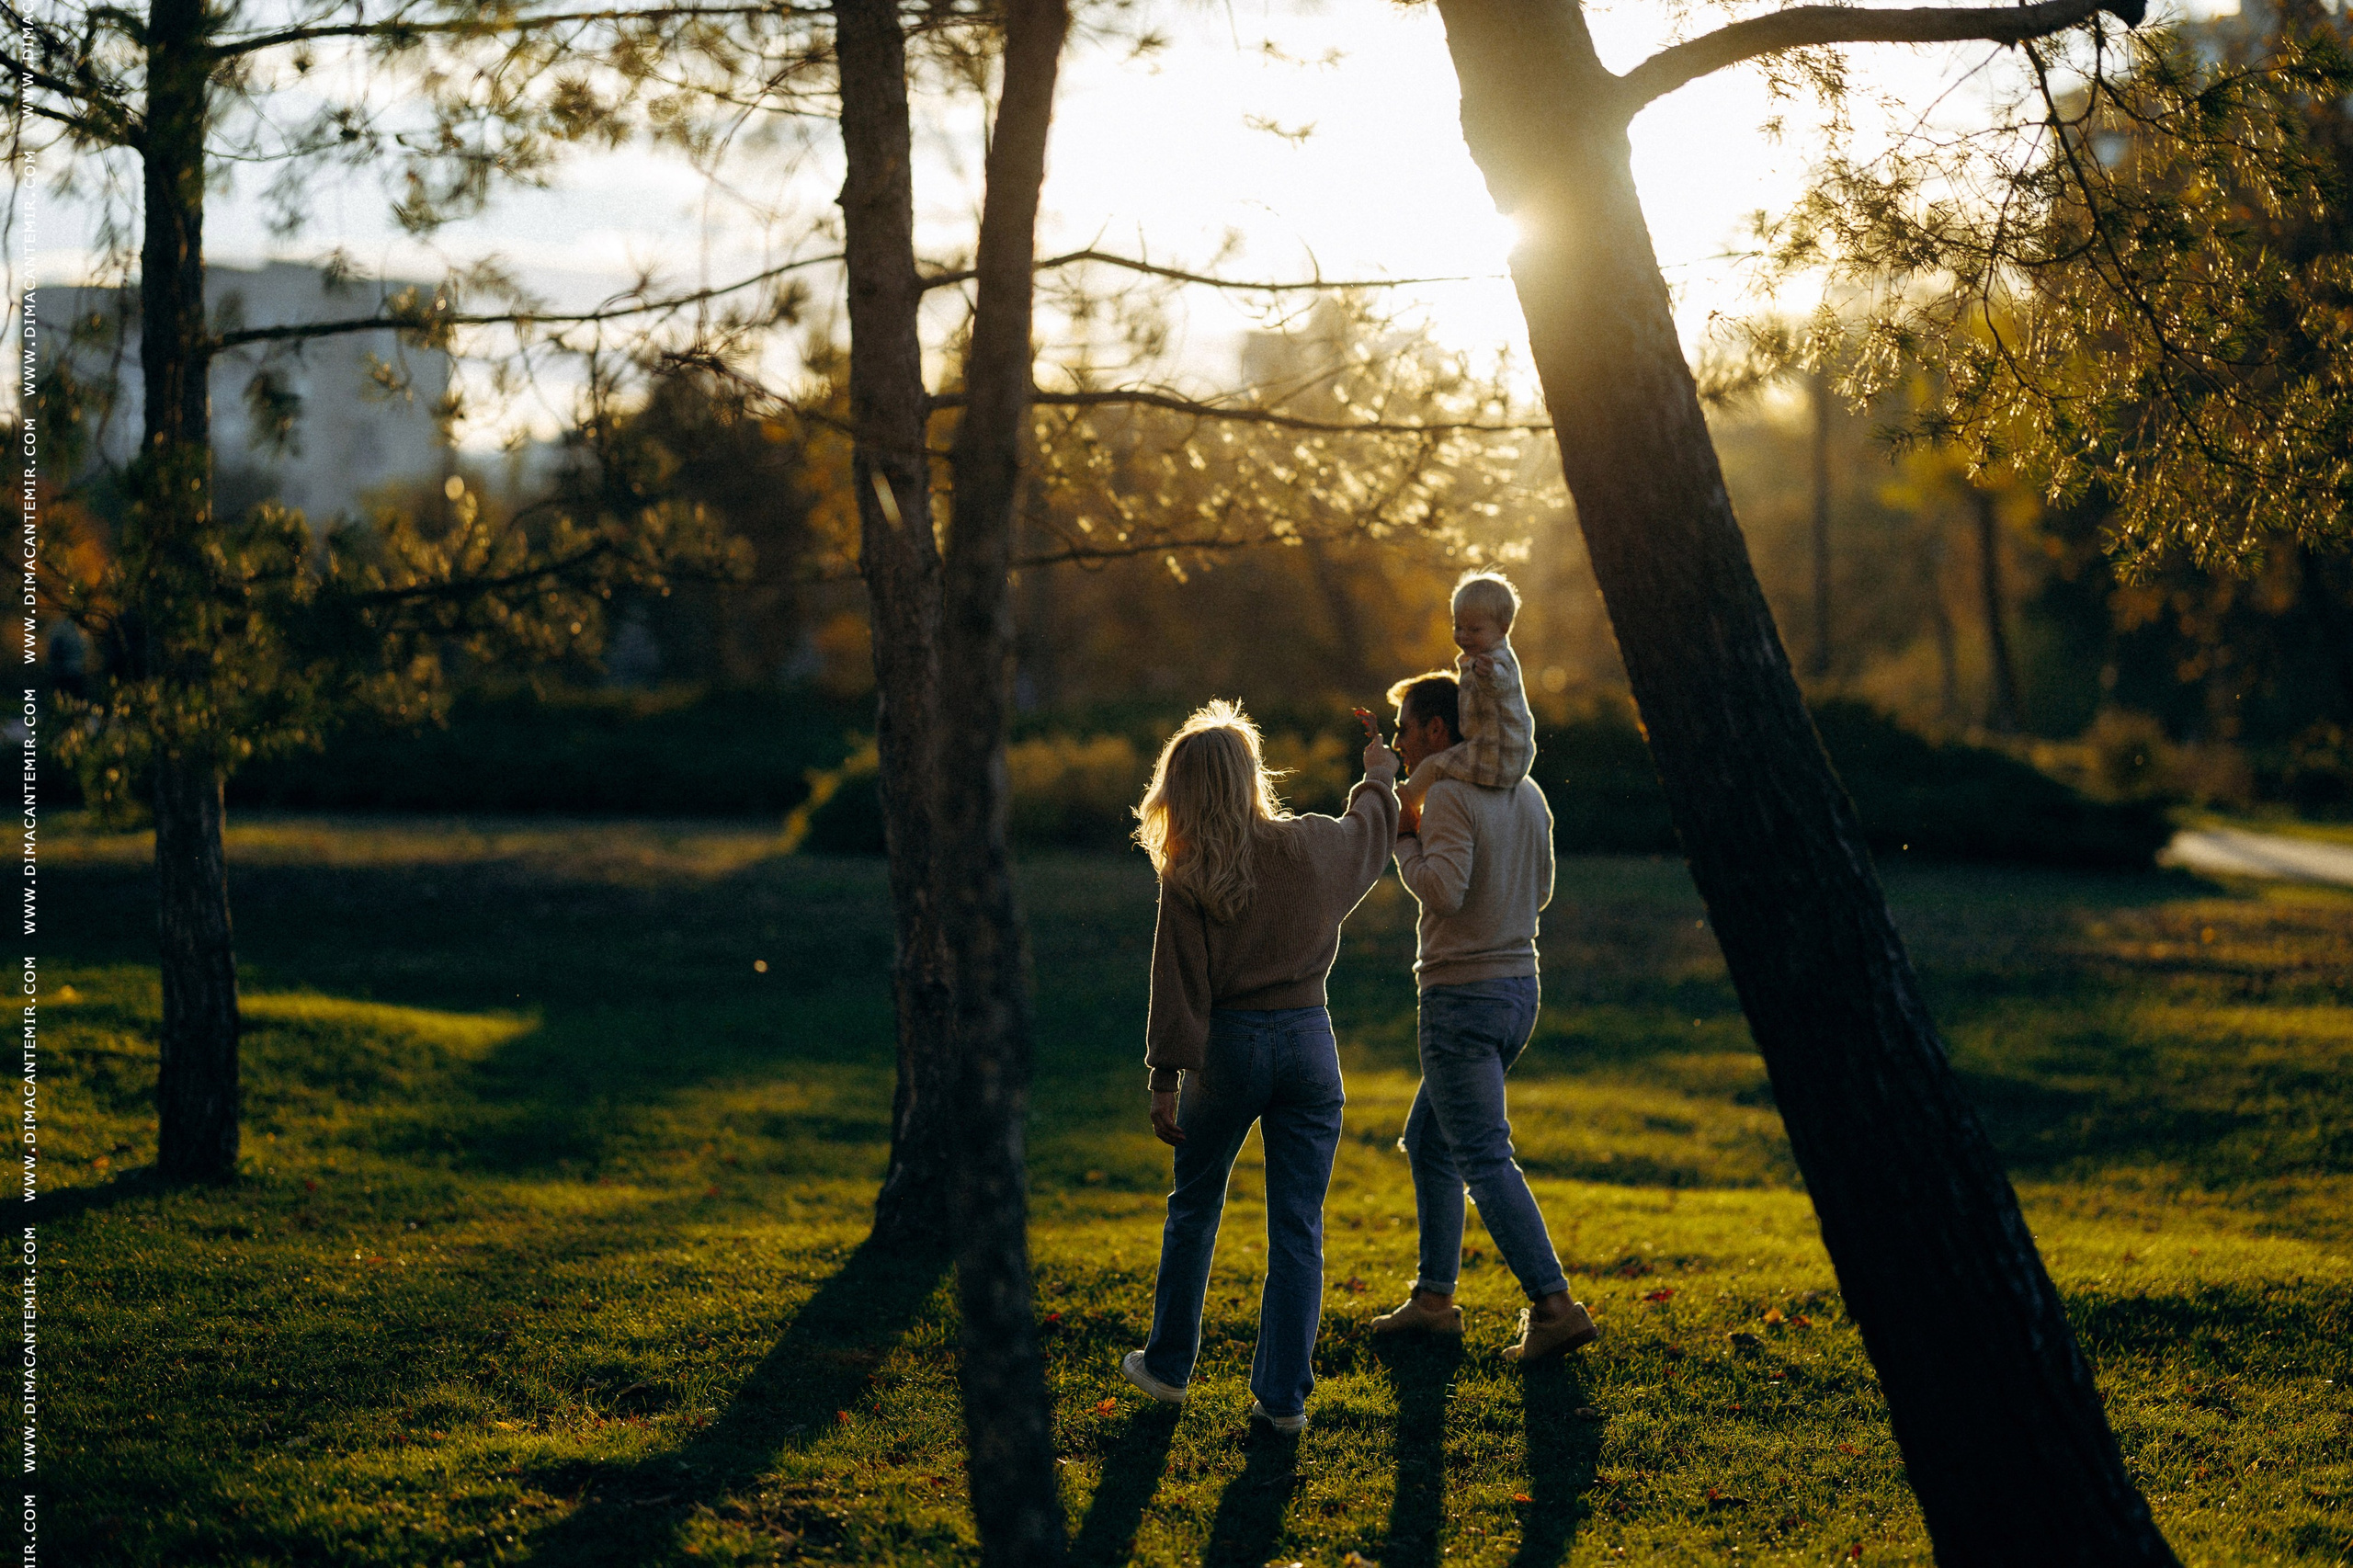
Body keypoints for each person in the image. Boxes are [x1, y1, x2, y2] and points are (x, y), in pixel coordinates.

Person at [1120, 699, 1400, 1434]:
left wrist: (1164, 1078)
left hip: (1230, 1050)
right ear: (1250, 776)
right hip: (1311, 1044)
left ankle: (1168, 1367)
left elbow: (1178, 983)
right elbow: (1369, 834)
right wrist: (1378, 774)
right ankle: (1282, 1401)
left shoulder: (1189, 871)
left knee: (1194, 1207)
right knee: (1298, 1226)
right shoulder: (1310, 846)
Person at [1371, 670, 1599, 1362]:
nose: (1400, 744)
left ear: (1438, 730)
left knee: (1481, 1155)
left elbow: (1442, 890)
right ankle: (1433, 1301)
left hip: (1462, 998)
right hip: (1519, 992)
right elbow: (1543, 889)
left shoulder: (1446, 795)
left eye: (1405, 730)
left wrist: (1403, 840)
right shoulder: (1527, 792)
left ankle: (1554, 1306)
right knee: (1431, 1140)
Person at [1398, 570, 1535, 811]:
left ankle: (1395, 810)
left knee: (1433, 767)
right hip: (1503, 754)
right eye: (1458, 627)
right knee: (1437, 767)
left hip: (1496, 757)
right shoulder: (1479, 657)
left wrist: (1490, 674)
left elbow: (1501, 682)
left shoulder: (1498, 661)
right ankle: (1392, 807)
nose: (1463, 636)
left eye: (1474, 630)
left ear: (1503, 629)